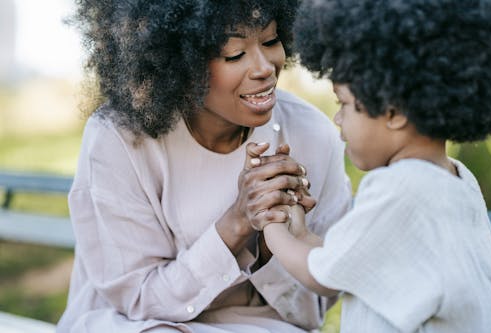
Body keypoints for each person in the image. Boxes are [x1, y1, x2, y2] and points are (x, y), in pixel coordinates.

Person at [57, 1, 352, 332]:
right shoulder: (119, 139)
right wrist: (238, 223)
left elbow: (317, 304)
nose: (264, 67)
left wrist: (274, 246)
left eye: (270, 41)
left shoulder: (312, 134)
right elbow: (137, 300)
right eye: (234, 53)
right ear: (179, 62)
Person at [260, 0, 491, 332]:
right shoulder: (457, 179)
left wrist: (270, 228)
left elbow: (323, 276)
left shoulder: (399, 187)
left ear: (394, 111)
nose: (337, 118)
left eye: (344, 103)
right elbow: (352, 258)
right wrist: (300, 233)